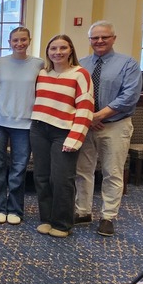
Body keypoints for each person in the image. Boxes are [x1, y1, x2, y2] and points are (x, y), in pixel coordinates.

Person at [74, 20, 142, 237]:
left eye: (104, 37)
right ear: (90, 40)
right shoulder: (81, 64)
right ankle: (82, 211)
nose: (100, 41)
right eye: (95, 38)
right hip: (85, 126)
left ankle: (108, 216)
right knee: (83, 170)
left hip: (115, 125)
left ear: (114, 38)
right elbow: (73, 94)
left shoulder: (128, 64)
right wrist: (88, 119)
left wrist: (99, 115)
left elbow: (129, 96)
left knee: (112, 172)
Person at [29, 34, 94, 238]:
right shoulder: (42, 73)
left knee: (62, 178)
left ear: (71, 50)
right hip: (39, 129)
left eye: (62, 48)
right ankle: (46, 219)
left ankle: (63, 223)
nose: (58, 52)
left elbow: (86, 108)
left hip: (64, 132)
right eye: (53, 48)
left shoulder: (80, 74)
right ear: (48, 52)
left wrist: (75, 138)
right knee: (41, 176)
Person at [0, 26, 44, 226]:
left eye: (23, 40)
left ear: (29, 40)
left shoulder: (38, 64)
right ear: (9, 42)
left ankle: (15, 209)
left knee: (19, 168)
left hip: (25, 123)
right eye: (15, 40)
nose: (19, 43)